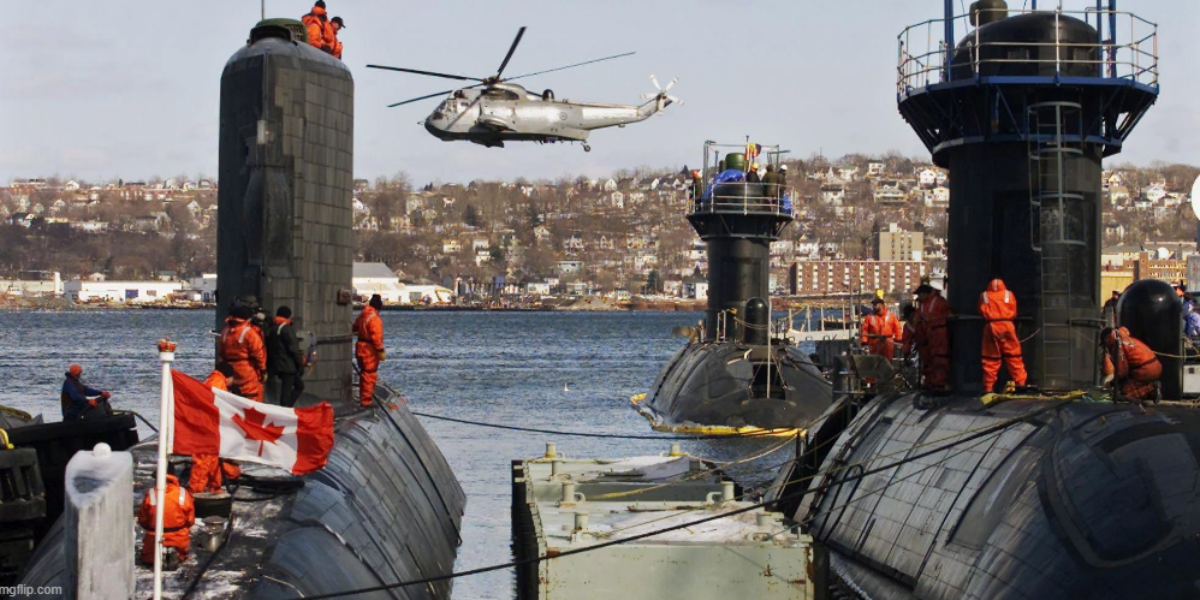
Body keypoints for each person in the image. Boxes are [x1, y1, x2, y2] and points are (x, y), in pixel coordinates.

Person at [190, 363, 241, 494]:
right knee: (203, 460)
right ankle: (196, 490)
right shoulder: (217, 383)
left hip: (210, 426)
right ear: (228, 377)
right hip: (207, 426)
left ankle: (214, 486)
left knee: (213, 458)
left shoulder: (214, 381)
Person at [138, 463, 195, 566]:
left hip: (154, 539)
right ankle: (174, 555)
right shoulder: (183, 493)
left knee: (148, 559)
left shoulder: (151, 494)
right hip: (179, 539)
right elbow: (190, 520)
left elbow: (143, 520)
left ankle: (161, 555)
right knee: (182, 556)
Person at [978, 278, 1027, 393]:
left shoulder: (984, 295)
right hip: (1007, 325)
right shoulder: (1008, 294)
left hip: (991, 326)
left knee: (990, 358)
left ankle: (988, 388)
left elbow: (980, 310)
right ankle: (1021, 384)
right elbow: (1014, 311)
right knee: (1014, 356)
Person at [218, 305, 267, 402]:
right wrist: (263, 371)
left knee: (232, 398)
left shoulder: (225, 332)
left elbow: (221, 354)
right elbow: (258, 354)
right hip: (247, 369)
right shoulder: (249, 333)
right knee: (251, 397)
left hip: (229, 370)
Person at [1101, 327, 1162, 401]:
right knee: (1134, 385)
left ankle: (1151, 388)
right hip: (1156, 366)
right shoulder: (1127, 339)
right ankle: (1152, 392)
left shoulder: (1117, 346)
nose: (1106, 345)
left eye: (1105, 342)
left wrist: (1112, 383)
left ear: (1108, 338)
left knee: (1124, 393)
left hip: (1145, 370)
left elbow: (1122, 371)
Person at [266, 306, 306, 407]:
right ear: (288, 315)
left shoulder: (272, 328)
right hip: (288, 365)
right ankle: (286, 410)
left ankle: (287, 407)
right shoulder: (287, 328)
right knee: (287, 392)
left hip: (276, 363)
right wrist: (300, 364)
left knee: (299, 386)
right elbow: (294, 349)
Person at [913, 284, 951, 390]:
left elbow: (947, 314)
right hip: (927, 336)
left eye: (920, 294)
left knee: (939, 359)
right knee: (928, 360)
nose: (918, 297)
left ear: (925, 293)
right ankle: (930, 382)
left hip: (938, 333)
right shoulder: (922, 304)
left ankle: (939, 383)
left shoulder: (938, 302)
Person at [353, 294, 386, 407]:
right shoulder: (374, 318)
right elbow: (376, 336)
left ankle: (363, 398)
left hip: (360, 347)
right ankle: (366, 401)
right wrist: (380, 350)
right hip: (369, 350)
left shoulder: (363, 314)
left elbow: (354, 327)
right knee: (369, 374)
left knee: (363, 374)